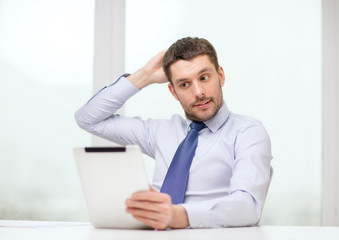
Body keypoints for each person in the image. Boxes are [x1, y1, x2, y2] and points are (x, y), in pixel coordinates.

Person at [75, 37, 272, 230]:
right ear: (173, 91)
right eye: (184, 84)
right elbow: (88, 118)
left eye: (204, 78)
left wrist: (181, 216)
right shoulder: (159, 131)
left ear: (220, 76)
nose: (198, 92)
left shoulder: (247, 132)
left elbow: (248, 205)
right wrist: (145, 76)